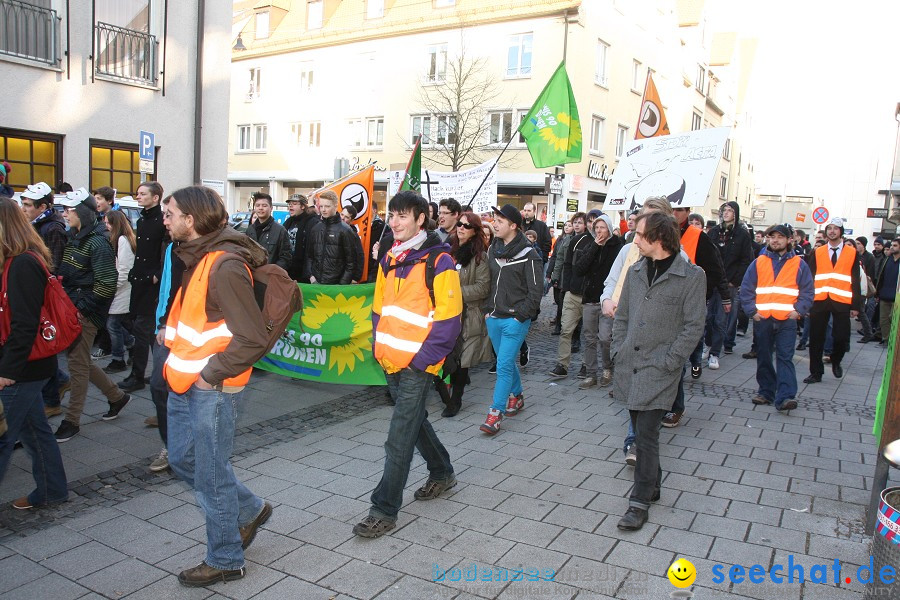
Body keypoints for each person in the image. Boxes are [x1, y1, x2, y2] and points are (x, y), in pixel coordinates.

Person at [161, 186, 273, 587]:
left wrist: (211, 375)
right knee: (183, 460)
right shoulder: (196, 257)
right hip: (185, 378)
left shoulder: (224, 264)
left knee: (210, 472)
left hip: (211, 386)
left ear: (191, 220)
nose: (166, 218)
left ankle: (226, 558)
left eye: (170, 212)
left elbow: (253, 337)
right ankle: (249, 508)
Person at [355, 190, 461, 538]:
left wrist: (422, 360)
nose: (395, 222)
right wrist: (378, 346)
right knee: (414, 423)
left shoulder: (439, 261)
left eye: (403, 216)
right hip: (389, 361)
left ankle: (383, 509)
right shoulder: (390, 258)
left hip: (418, 365)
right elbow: (378, 309)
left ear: (420, 219)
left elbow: (449, 322)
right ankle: (442, 472)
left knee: (398, 437)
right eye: (393, 215)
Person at [612, 212, 705, 531]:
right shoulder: (636, 270)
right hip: (630, 363)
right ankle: (654, 484)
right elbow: (622, 316)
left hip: (661, 368)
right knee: (641, 427)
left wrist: (671, 360)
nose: (634, 239)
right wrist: (617, 349)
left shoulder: (691, 275)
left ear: (659, 239)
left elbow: (694, 326)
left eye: (639, 234)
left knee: (646, 435)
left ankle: (638, 503)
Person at [0, 197, 68, 510]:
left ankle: (52, 490)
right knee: (34, 430)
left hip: (22, 368)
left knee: (4, 437)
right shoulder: (13, 260)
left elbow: (24, 325)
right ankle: (52, 490)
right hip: (24, 365)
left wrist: (7, 373)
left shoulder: (23, 263)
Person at [54, 189, 130, 442]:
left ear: (83, 214)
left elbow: (107, 283)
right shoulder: (75, 237)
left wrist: (81, 311)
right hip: (75, 309)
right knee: (82, 361)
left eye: (69, 209)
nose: (64, 213)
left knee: (77, 365)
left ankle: (71, 420)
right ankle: (117, 397)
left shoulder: (97, 242)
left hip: (84, 313)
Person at [480, 204, 542, 435]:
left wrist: (520, 317)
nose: (494, 223)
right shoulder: (492, 250)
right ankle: (517, 395)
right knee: (506, 361)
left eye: (500, 220)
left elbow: (536, 292)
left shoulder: (529, 254)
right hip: (493, 317)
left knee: (504, 365)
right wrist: (488, 310)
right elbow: (488, 284)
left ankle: (495, 414)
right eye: (494, 219)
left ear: (513, 226)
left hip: (515, 320)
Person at [739, 224, 814, 411]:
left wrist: (799, 311)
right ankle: (766, 392)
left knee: (785, 357)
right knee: (764, 356)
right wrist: (752, 311)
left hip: (787, 320)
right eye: (772, 236)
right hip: (763, 319)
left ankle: (785, 397)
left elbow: (808, 291)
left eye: (780, 237)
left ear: (790, 240)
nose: (775, 240)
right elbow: (747, 288)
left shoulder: (799, 264)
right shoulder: (759, 262)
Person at [120, 181, 169, 394]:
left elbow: (168, 249)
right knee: (145, 331)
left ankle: (140, 375)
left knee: (144, 329)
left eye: (142, 194)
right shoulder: (143, 218)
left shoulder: (161, 220)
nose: (138, 197)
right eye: (138, 194)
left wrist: (157, 276)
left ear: (155, 197)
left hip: (151, 283)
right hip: (140, 280)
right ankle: (159, 372)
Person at [443, 212, 492, 417]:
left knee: (462, 360)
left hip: (469, 314)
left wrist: (453, 293)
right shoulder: (449, 250)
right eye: (460, 224)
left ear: (474, 231)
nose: (461, 228)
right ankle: (449, 391)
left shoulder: (480, 256)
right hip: (448, 312)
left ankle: (456, 400)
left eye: (466, 226)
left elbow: (482, 288)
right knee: (448, 356)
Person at [803, 218, 862, 383]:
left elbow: (855, 279)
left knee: (841, 338)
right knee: (816, 338)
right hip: (819, 299)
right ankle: (816, 372)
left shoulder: (852, 252)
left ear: (841, 232)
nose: (832, 231)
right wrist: (806, 302)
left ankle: (836, 360)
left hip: (841, 300)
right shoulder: (818, 251)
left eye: (836, 229)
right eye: (829, 228)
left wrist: (856, 305)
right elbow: (810, 277)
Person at [575, 214, 623, 389]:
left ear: (609, 229)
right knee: (589, 338)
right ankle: (591, 373)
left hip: (608, 299)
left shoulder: (618, 246)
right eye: (596, 228)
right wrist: (595, 246)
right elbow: (579, 269)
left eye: (602, 227)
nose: (599, 231)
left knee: (605, 338)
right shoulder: (590, 245)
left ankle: (607, 368)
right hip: (589, 298)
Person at [707, 201, 753, 355]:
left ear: (736, 214)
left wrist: (734, 281)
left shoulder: (742, 235)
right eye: (724, 210)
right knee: (707, 317)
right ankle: (708, 344)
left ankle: (715, 351)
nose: (726, 213)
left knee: (722, 319)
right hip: (711, 281)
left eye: (729, 210)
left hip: (729, 284)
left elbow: (746, 260)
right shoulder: (713, 232)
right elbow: (706, 255)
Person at [549, 212, 590, 379]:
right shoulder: (569, 240)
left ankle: (586, 365)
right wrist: (562, 284)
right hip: (572, 291)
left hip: (588, 294)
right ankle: (562, 364)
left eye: (581, 222)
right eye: (576, 222)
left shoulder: (593, 242)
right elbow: (563, 262)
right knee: (566, 329)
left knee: (589, 334)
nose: (577, 225)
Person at [103, 210, 136, 374]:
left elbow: (124, 269)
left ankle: (118, 359)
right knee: (115, 323)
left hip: (123, 289)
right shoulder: (121, 239)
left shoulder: (123, 240)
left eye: (108, 223)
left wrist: (112, 287)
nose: (106, 227)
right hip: (121, 288)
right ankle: (131, 344)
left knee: (112, 324)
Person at [306, 190, 358, 284]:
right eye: (321, 206)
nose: (323, 210)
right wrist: (311, 276)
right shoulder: (316, 229)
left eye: (327, 206)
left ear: (335, 206)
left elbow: (351, 263)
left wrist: (342, 284)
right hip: (315, 283)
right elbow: (309, 256)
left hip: (336, 286)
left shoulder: (346, 230)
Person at [20, 182, 67, 271]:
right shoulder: (32, 224)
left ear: (42, 207)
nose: (22, 209)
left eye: (27, 205)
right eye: (22, 204)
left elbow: (55, 265)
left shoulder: (54, 229)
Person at [245, 192, 291, 270]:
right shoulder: (250, 230)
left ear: (271, 208)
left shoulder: (280, 230)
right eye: (257, 205)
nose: (260, 208)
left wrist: (272, 271)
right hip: (252, 275)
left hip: (270, 276)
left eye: (264, 205)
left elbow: (285, 257)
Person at [282, 193, 318, 282]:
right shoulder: (288, 222)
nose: (290, 206)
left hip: (304, 273)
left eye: (294, 204)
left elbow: (312, 250)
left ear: (302, 206)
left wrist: (309, 273)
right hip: (288, 270)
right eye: (289, 204)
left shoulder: (312, 222)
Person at [548, 220, 573, 335]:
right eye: (566, 225)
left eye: (569, 225)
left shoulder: (573, 240)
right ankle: (560, 320)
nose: (567, 227)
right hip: (558, 272)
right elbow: (554, 257)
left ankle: (560, 324)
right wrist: (549, 273)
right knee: (557, 299)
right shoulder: (559, 240)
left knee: (562, 301)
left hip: (566, 274)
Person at [875, 238, 899, 345]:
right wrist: (877, 293)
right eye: (892, 245)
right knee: (883, 320)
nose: (892, 247)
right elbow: (881, 277)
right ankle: (886, 340)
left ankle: (894, 341)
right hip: (884, 295)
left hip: (896, 297)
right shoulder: (886, 260)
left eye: (895, 245)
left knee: (893, 319)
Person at [855, 236, 876, 343]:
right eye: (856, 243)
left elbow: (871, 274)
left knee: (861, 311)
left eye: (858, 243)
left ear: (863, 245)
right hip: (856, 287)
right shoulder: (856, 256)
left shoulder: (869, 257)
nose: (856, 246)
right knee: (860, 311)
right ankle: (868, 333)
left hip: (862, 288)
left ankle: (868, 333)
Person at [341, 204, 366, 283]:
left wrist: (356, 278)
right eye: (342, 214)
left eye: (346, 217)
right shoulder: (332, 229)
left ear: (351, 221)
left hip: (346, 278)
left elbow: (360, 256)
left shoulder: (353, 235)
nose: (342, 218)